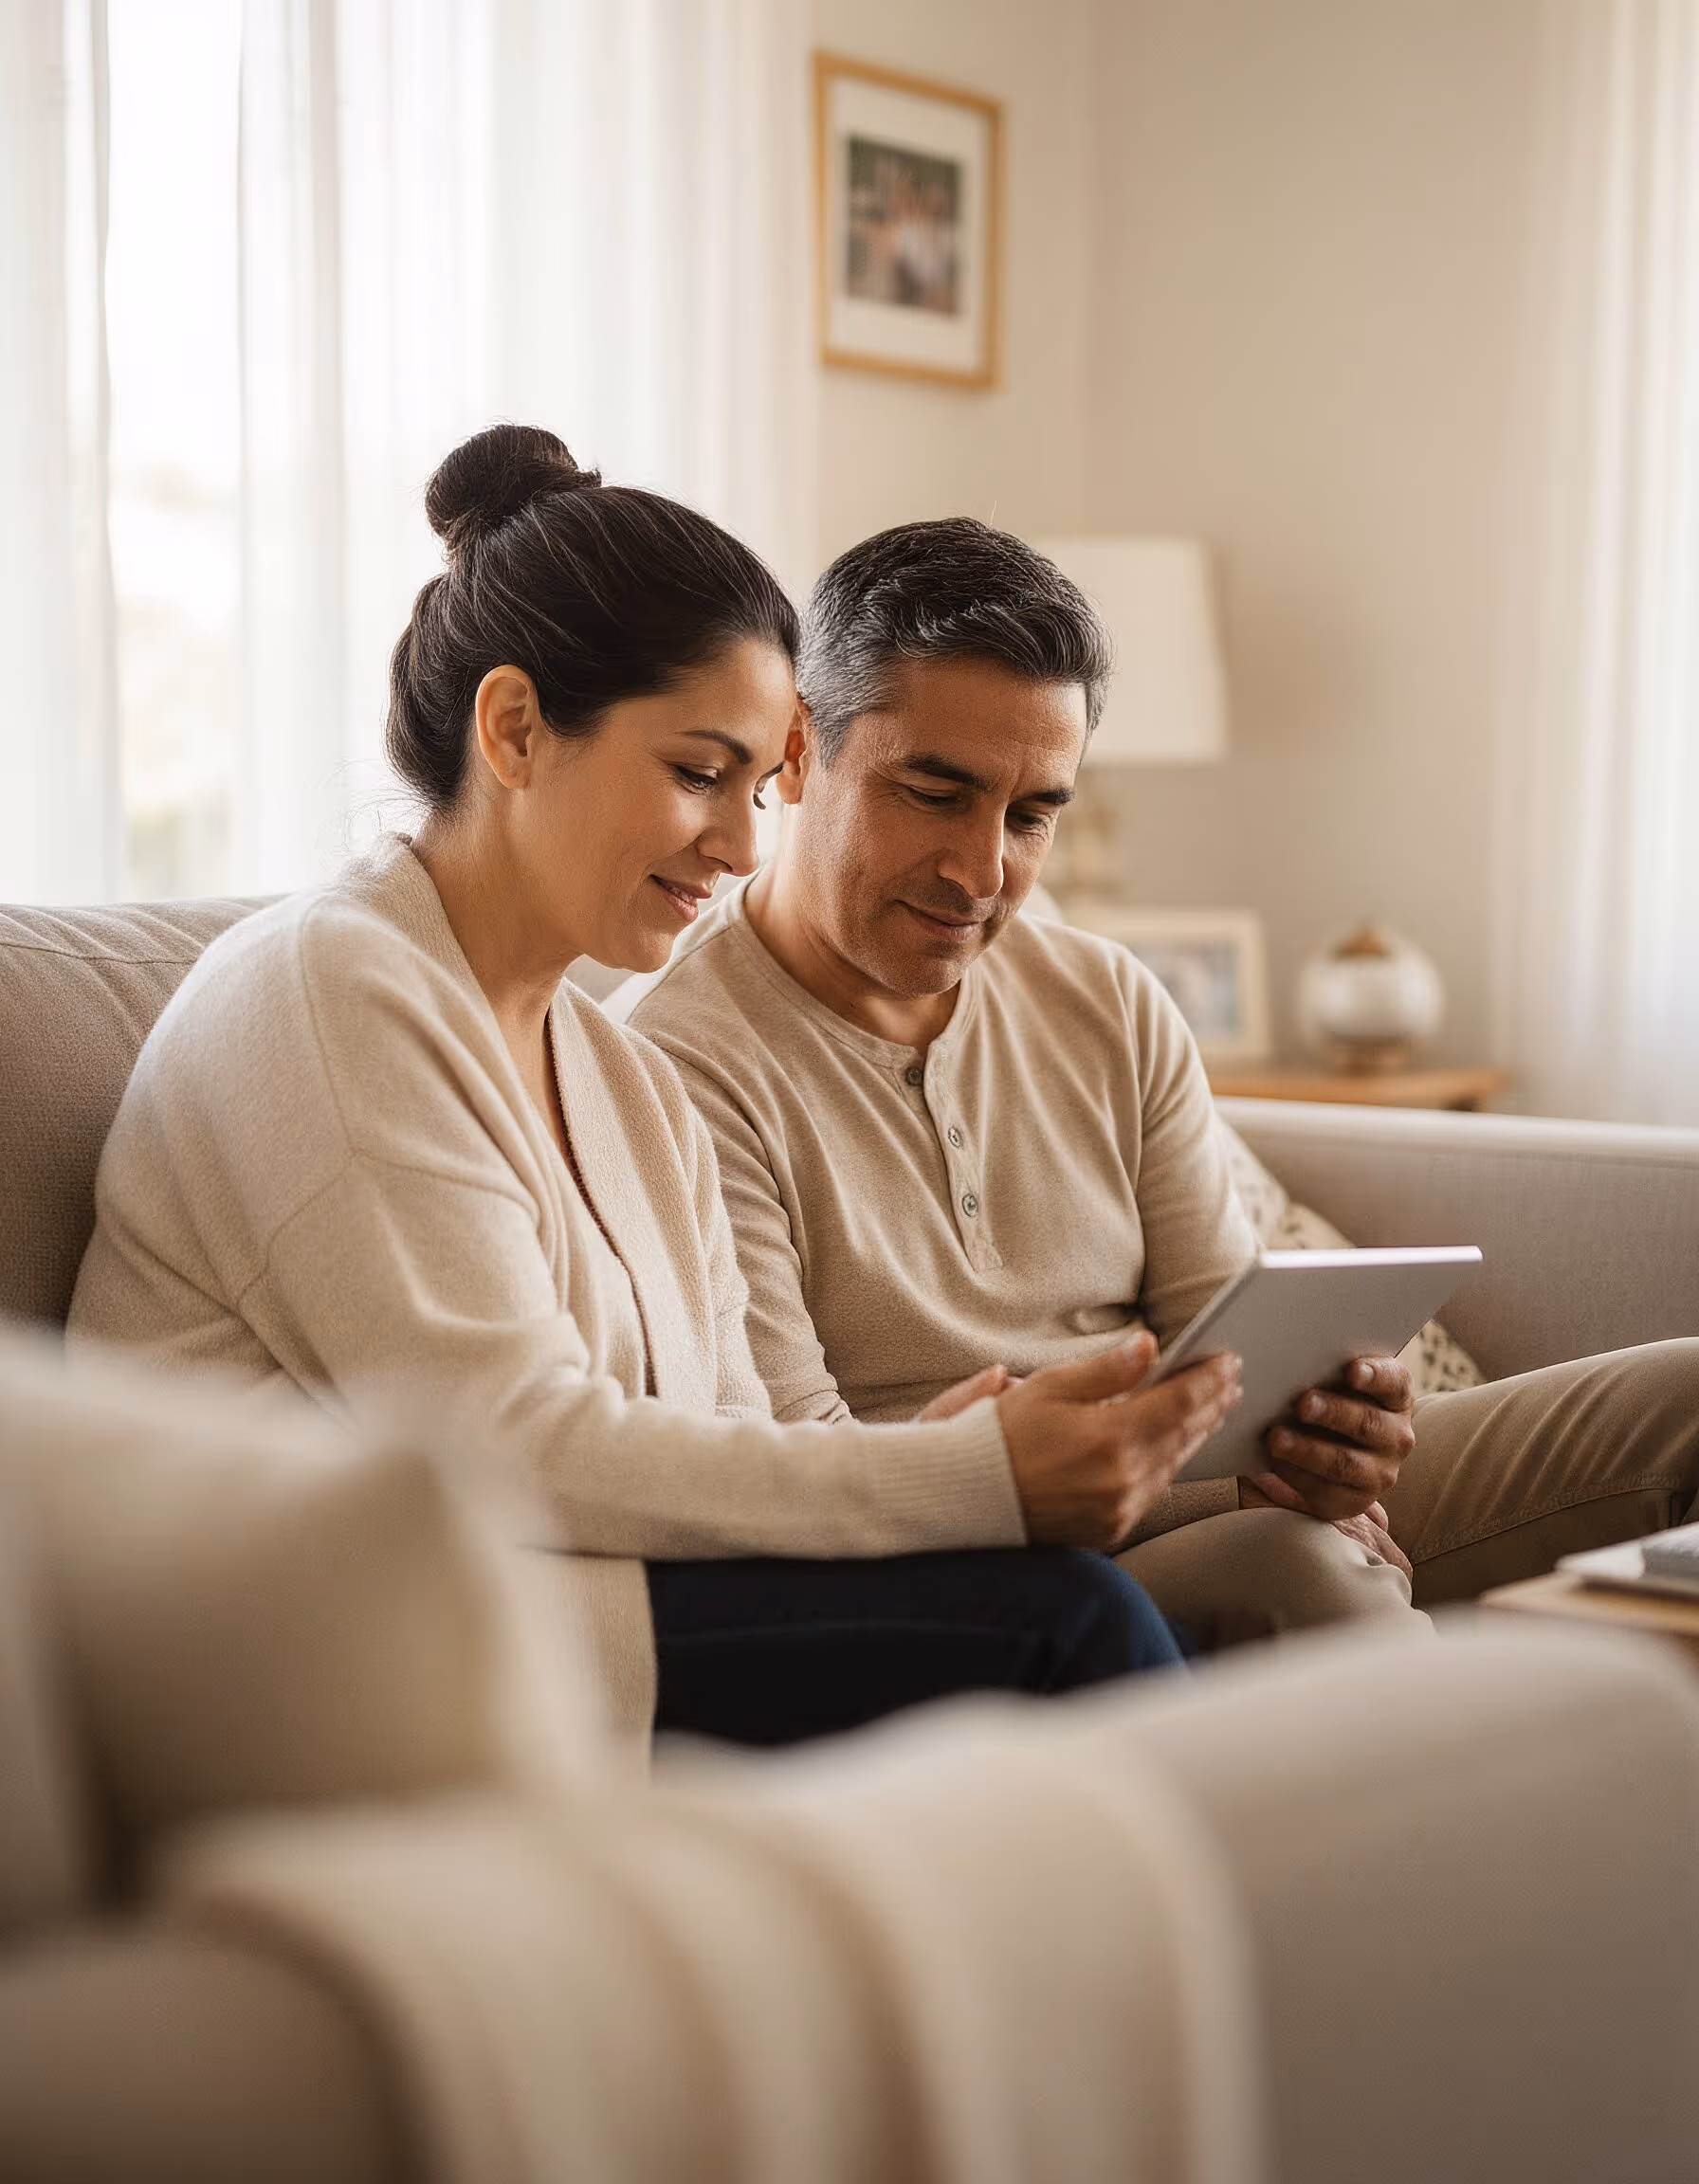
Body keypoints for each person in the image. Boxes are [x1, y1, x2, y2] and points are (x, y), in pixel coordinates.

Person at [67, 427, 1259, 1751]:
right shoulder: (330, 989)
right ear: (515, 728)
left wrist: (931, 1458)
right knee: (1065, 1621)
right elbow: (504, 1450)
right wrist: (965, 1481)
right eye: (699, 774)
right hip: (306, 1659)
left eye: (759, 787)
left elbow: (731, 1443)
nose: (745, 848)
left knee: (1076, 1601)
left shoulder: (621, 1076)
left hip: (560, 1609)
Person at [626, 517, 1699, 1646]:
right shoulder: (676, 1064)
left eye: (1032, 814)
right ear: (797, 750)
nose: (982, 871)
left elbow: (1230, 1353)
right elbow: (805, 1473)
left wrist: (1322, 1445)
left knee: (1682, 1396)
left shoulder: (1108, 999)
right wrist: (1131, 1480)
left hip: (1212, 1494)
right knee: (1304, 1573)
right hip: (990, 1566)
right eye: (935, 794)